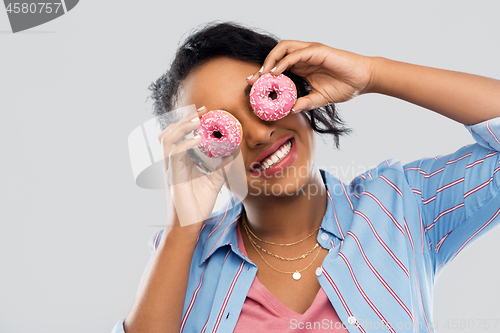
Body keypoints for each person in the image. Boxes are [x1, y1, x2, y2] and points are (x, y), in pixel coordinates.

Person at [112, 22, 500, 332]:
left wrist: (373, 73)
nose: (260, 134)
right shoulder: (183, 253)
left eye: (260, 101)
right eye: (220, 129)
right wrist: (183, 228)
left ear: (294, 92)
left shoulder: (403, 205)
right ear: (201, 153)